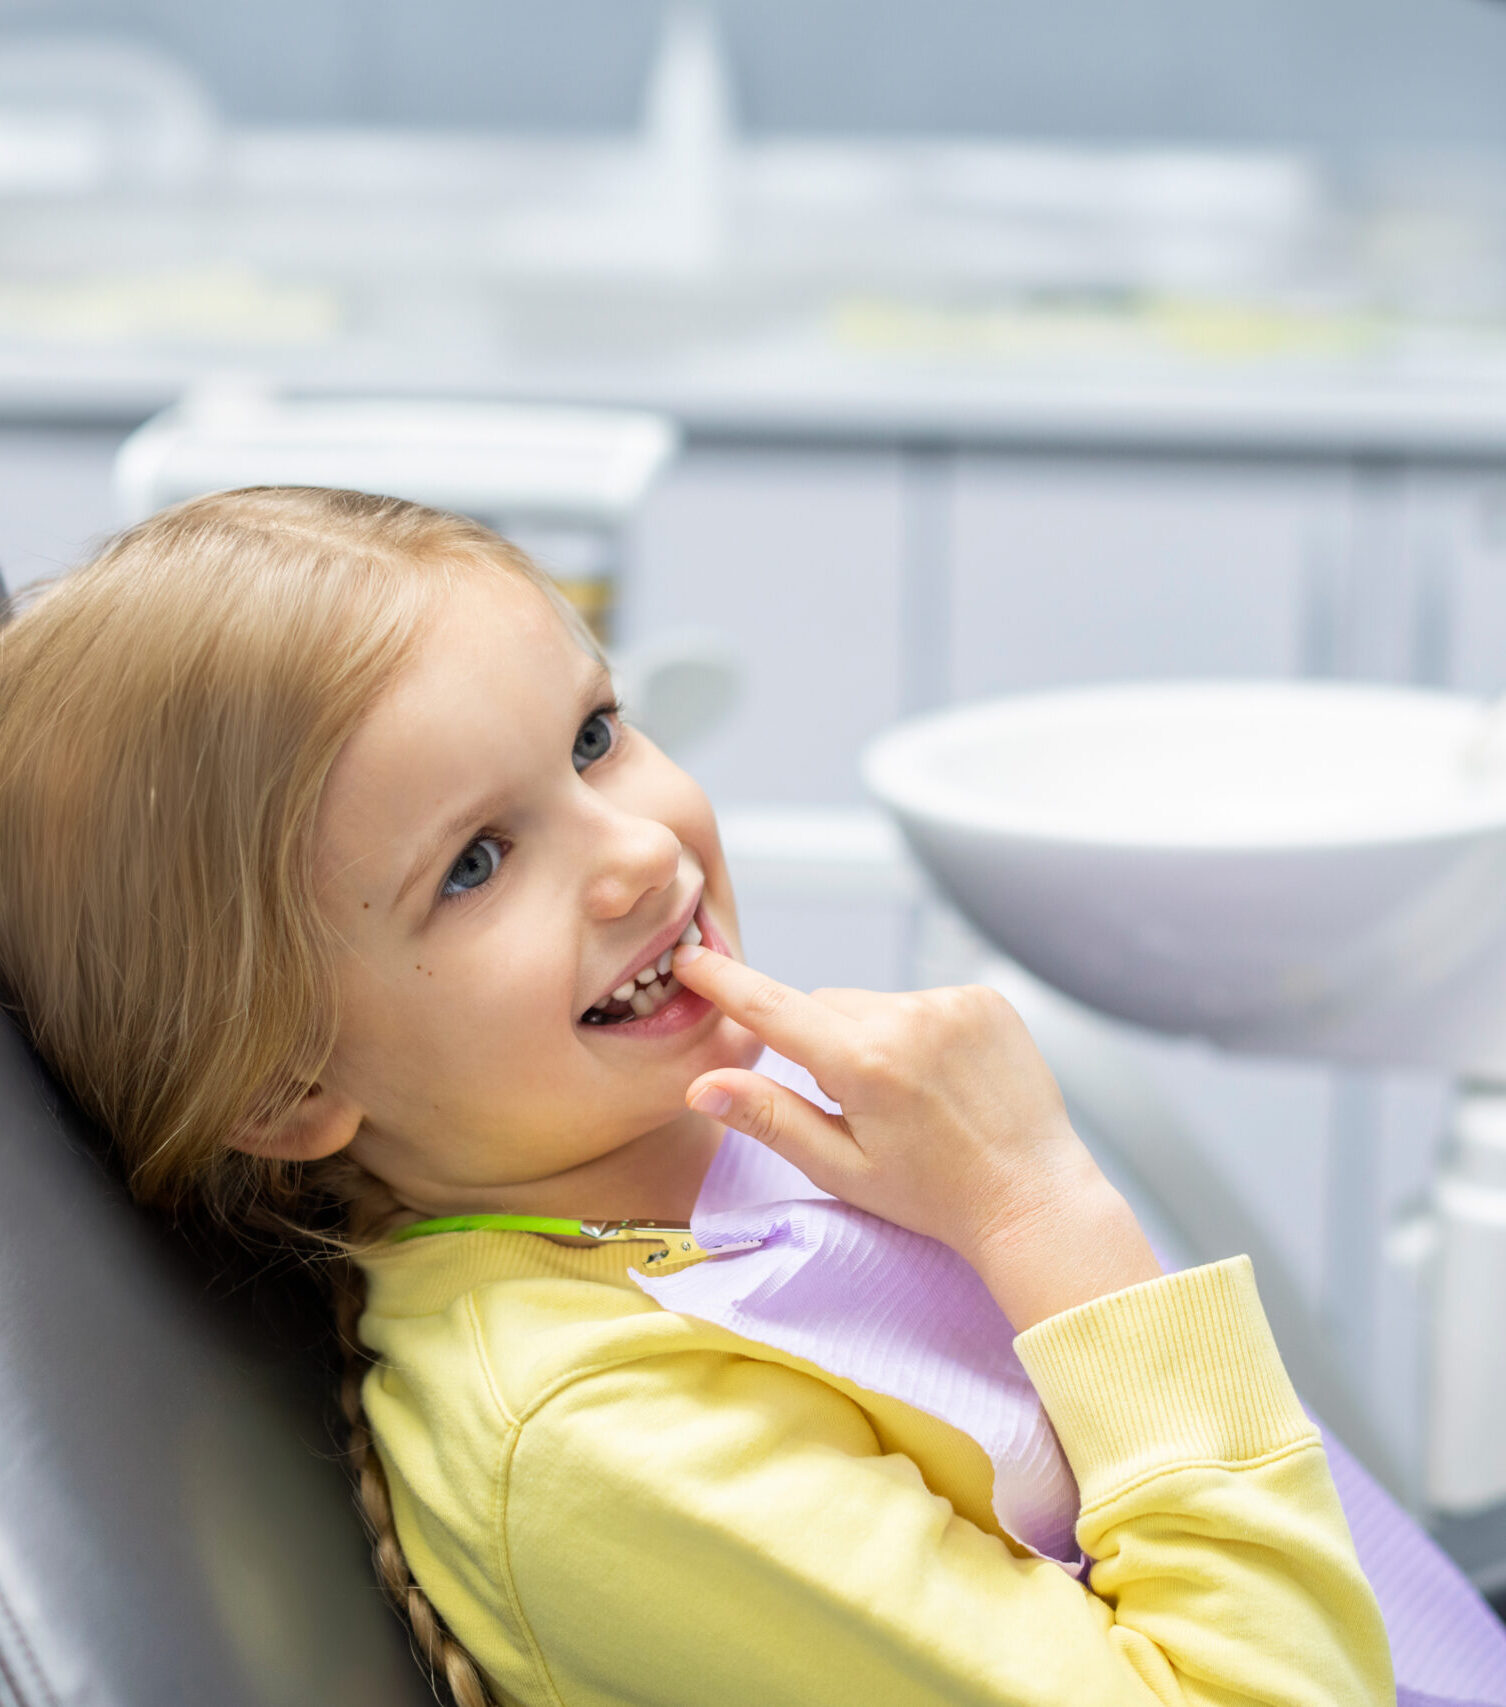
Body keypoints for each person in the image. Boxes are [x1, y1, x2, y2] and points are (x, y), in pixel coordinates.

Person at [0, 486, 1392, 1707]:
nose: (635, 856)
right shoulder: (601, 1453)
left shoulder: (694, 1121)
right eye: (475, 864)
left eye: (594, 736)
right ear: (288, 1086)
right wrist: (1039, 1209)